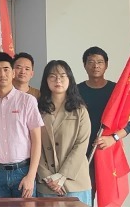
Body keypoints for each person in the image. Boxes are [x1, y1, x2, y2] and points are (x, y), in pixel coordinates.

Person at [0, 52, 43, 198]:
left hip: (23, 171)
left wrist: (31, 176)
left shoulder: (28, 101)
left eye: (6, 69)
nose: (2, 74)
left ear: (13, 73)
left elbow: (37, 141)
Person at [77, 46, 130, 201]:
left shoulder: (117, 91)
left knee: (109, 200)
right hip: (83, 154)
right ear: (84, 65)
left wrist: (113, 138)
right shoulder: (76, 91)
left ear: (106, 65)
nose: (95, 66)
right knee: (84, 200)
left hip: (108, 151)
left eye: (100, 62)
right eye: (91, 62)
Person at [37, 60, 92, 206]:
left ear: (70, 79)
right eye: (52, 76)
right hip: (47, 184)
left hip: (75, 182)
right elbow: (33, 145)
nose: (58, 80)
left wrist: (62, 176)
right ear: (46, 80)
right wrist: (47, 176)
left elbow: (81, 145)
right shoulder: (37, 109)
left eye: (62, 76)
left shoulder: (80, 110)